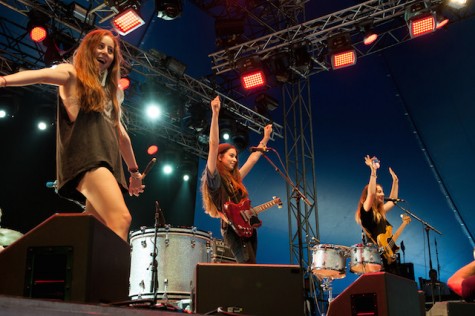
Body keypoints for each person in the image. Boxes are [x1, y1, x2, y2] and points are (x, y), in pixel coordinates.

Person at [0, 29, 144, 241]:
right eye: (100, 46)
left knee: (95, 230)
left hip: (106, 162)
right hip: (89, 159)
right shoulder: (72, 74)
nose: (105, 52)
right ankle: (112, 275)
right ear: (88, 49)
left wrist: (134, 173)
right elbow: (38, 76)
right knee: (121, 219)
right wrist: (3, 81)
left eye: (111, 50)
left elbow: (122, 137)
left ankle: (85, 272)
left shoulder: (109, 95)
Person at [201, 95, 272, 264]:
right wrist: (215, 114)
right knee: (247, 265)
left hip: (247, 226)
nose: (234, 159)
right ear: (219, 157)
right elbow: (213, 144)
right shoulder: (214, 179)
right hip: (232, 228)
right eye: (231, 156)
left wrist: (266, 138)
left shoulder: (235, 179)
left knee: (252, 264)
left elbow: (252, 159)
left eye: (236, 157)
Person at [354, 155, 410, 274]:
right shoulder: (366, 212)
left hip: (386, 257)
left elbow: (393, 201)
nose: (382, 194)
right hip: (374, 259)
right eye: (379, 192)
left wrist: (395, 182)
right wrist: (373, 171)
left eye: (382, 192)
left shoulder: (380, 212)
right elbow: (371, 194)